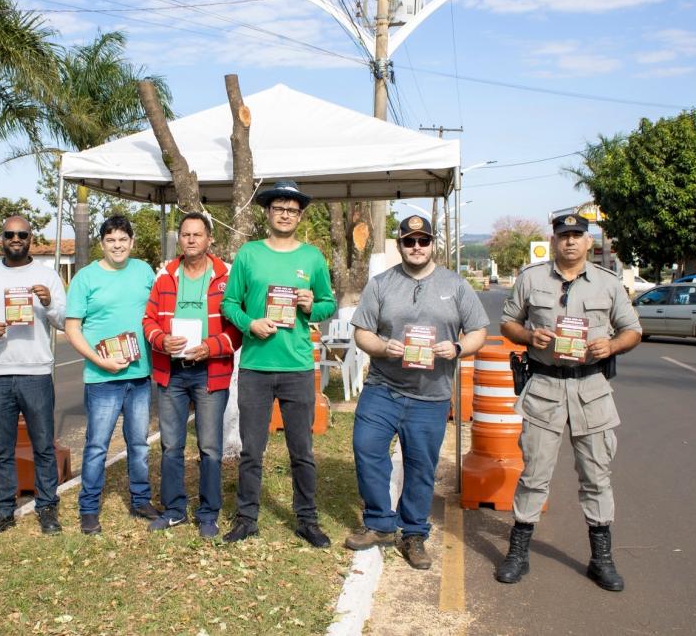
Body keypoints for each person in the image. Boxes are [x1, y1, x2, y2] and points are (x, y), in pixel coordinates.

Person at [495, 211, 641, 592]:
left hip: (591, 389)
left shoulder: (608, 284)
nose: (571, 241)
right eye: (564, 235)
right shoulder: (532, 279)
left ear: (589, 242)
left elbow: (633, 330)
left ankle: (602, 558)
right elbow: (507, 322)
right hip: (544, 386)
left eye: (578, 235)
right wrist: (528, 336)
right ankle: (518, 553)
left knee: (596, 476)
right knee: (534, 474)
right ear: (555, 240)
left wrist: (611, 345)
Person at [345, 215, 489, 569]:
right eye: (409, 241)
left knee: (420, 467)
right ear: (399, 245)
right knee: (366, 448)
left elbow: (478, 332)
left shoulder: (456, 286)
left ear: (433, 244)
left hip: (431, 395)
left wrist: (456, 348)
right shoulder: (380, 284)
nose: (417, 247)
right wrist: (381, 347)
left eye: (423, 241)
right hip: (383, 387)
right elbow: (362, 332)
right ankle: (379, 522)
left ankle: (413, 533)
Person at [220, 180, 337, 547]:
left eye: (292, 210)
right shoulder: (249, 255)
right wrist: (249, 324)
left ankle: (306, 519)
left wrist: (310, 307)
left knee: (301, 450)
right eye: (278, 208)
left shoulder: (312, 258)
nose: (285, 214)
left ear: (299, 216)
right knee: (251, 450)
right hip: (255, 366)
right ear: (268, 213)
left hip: (298, 366)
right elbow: (229, 304)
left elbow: (328, 304)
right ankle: (246, 517)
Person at [0, 215, 67, 537]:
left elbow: (64, 321)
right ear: (2, 239)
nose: (16, 238)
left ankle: (47, 507)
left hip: (36, 372)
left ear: (31, 237)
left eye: (22, 234)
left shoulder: (47, 276)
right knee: (2, 447)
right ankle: (4, 510)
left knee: (43, 447)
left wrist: (49, 304)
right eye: (10, 234)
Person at [143, 212, 242, 538]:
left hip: (209, 372)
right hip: (172, 373)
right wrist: (161, 339)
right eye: (185, 234)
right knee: (171, 446)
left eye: (197, 235)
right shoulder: (165, 276)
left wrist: (211, 347)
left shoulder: (226, 276)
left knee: (210, 447)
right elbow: (149, 320)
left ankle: (208, 514)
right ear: (180, 239)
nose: (190, 240)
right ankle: (174, 510)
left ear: (209, 239)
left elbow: (237, 328)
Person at [64, 215, 158, 535]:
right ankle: (89, 508)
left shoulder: (144, 271)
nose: (117, 246)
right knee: (97, 446)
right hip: (102, 379)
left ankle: (140, 499)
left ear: (131, 242)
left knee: (139, 443)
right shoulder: (85, 278)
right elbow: (72, 328)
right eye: (110, 240)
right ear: (101, 244)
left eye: (122, 239)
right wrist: (98, 360)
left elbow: (159, 313)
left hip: (140, 376)